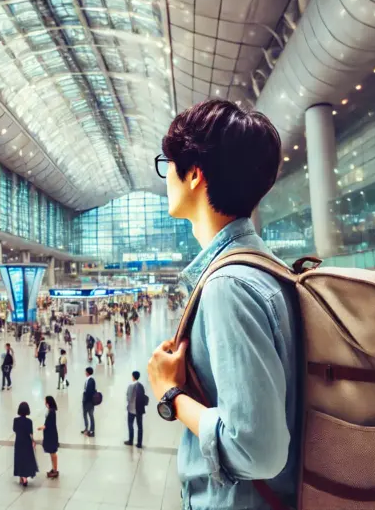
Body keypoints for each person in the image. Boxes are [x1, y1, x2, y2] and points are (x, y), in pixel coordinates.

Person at [147, 99, 299, 509]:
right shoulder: (267, 269)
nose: (166, 178)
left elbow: (257, 450)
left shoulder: (228, 285)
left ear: (194, 174)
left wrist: (170, 395)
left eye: (168, 164)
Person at [12, 402, 38, 487]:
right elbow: (30, 434)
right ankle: (25, 477)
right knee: (26, 459)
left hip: (19, 442)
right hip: (27, 442)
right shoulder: (29, 422)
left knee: (19, 459)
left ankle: (21, 476)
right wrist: (33, 441)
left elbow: (15, 430)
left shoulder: (16, 420)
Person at [37, 396, 59, 479]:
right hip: (50, 434)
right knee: (51, 452)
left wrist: (43, 427)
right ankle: (53, 469)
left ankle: (55, 470)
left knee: (53, 453)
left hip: (51, 434)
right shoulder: (50, 411)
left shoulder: (52, 412)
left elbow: (49, 424)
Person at [125, 371, 148, 448]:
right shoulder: (141, 386)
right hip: (139, 410)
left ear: (133, 377)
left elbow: (128, 398)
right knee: (140, 427)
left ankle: (131, 440)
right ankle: (139, 443)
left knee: (130, 424)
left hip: (132, 409)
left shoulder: (131, 386)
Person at [81, 367, 96, 437]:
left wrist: (86, 401)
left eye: (85, 371)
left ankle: (91, 430)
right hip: (87, 401)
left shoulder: (90, 381)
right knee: (85, 415)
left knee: (90, 415)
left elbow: (89, 392)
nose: (85, 372)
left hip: (88, 401)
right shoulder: (89, 380)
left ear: (87, 372)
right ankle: (87, 429)